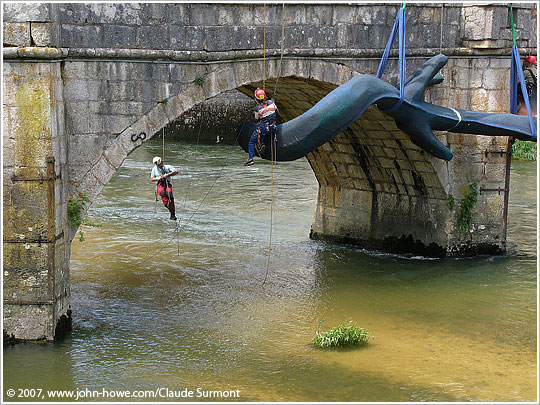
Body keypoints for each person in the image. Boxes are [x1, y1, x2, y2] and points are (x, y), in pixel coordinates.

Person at [245, 88, 278, 166]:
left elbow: (257, 118)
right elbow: (277, 112)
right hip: (272, 127)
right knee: (262, 131)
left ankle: (250, 159)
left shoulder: (258, 108)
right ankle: (261, 143)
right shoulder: (272, 103)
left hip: (263, 128)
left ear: (257, 99)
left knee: (252, 141)